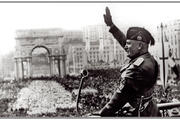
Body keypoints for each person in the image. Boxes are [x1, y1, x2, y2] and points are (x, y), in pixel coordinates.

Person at [97, 7, 161, 117]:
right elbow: (125, 42)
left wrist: (102, 114)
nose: (126, 47)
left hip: (140, 115)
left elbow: (118, 99)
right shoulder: (147, 58)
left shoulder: (138, 68)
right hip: (150, 110)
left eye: (129, 43)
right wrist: (112, 26)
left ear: (140, 45)